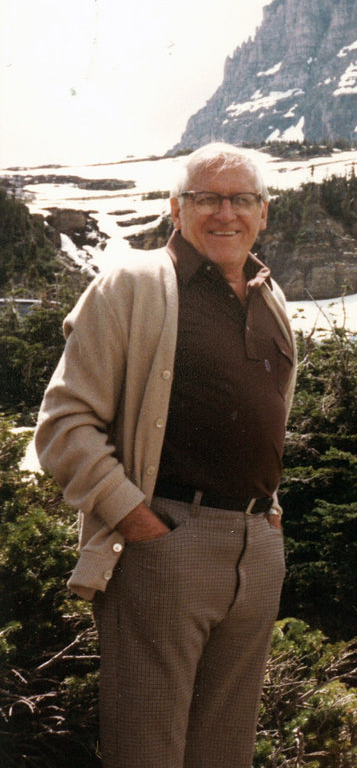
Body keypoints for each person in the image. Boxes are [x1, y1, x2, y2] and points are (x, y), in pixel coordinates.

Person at [34, 142, 297, 768]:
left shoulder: (269, 295)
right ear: (176, 208)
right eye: (206, 198)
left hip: (255, 545)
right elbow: (64, 423)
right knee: (146, 751)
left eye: (241, 199)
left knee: (225, 752)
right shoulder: (133, 284)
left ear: (263, 212)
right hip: (164, 541)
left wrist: (270, 522)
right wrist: (137, 520)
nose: (224, 212)